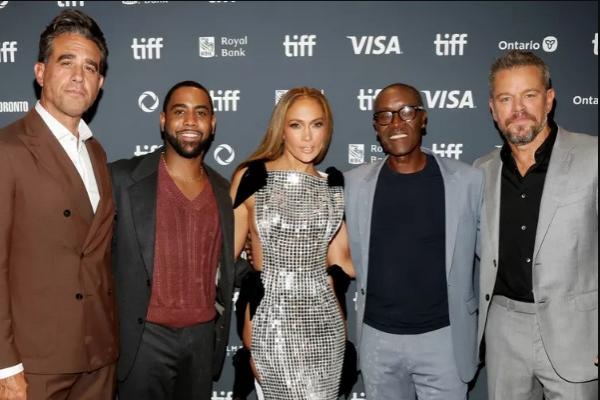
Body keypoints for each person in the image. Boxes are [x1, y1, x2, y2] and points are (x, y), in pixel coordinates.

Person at [0, 9, 116, 400]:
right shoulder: (8, 150)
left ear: (100, 83)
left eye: (90, 67)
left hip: (98, 356)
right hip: (34, 364)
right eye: (66, 62)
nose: (79, 76)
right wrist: (5, 365)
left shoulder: (97, 153)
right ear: (40, 72)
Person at [344, 83, 483, 400]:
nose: (396, 123)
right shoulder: (354, 185)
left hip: (445, 339)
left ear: (423, 118)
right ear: (376, 127)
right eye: (385, 115)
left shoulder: (467, 182)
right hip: (378, 339)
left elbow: (492, 261)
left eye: (406, 111)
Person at [475, 50, 598, 400]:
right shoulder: (482, 171)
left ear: (549, 100)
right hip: (503, 326)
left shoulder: (593, 157)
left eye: (528, 95)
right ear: (493, 109)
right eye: (506, 98)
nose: (518, 108)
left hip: (578, 332)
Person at [109, 81, 237, 399]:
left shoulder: (224, 191)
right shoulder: (123, 180)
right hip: (143, 341)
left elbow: (227, 262)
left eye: (201, 112)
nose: (191, 121)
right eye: (180, 111)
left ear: (213, 123)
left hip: (201, 340)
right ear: (163, 120)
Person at [230, 87, 354, 399]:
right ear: (281, 130)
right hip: (271, 324)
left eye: (317, 124)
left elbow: (342, 263)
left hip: (325, 326)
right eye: (296, 125)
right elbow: (224, 257)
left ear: (327, 129)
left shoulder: (333, 186)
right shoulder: (253, 177)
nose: (308, 137)